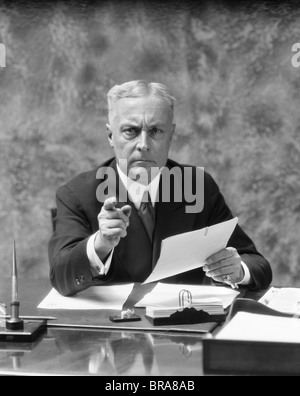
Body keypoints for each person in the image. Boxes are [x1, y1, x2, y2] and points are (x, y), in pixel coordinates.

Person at [48, 80, 272, 296]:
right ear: (110, 135)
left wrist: (238, 270)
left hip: (185, 326)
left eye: (155, 131)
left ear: (171, 135)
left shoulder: (197, 186)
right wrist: (100, 245)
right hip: (115, 329)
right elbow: (61, 278)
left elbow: (257, 264)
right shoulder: (77, 194)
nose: (143, 144)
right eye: (131, 131)